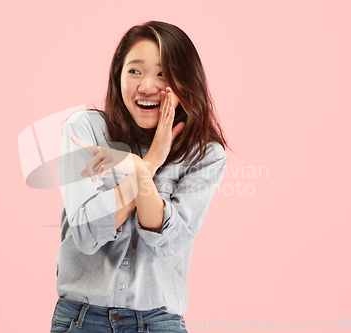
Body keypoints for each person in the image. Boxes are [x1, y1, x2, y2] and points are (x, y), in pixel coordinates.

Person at [51, 21, 230, 333]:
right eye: (135, 71)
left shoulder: (205, 155)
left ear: (186, 80)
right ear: (118, 75)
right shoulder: (85, 130)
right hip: (81, 321)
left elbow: (167, 240)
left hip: (158, 322)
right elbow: (86, 233)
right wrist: (147, 164)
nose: (147, 86)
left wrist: (135, 168)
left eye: (163, 73)